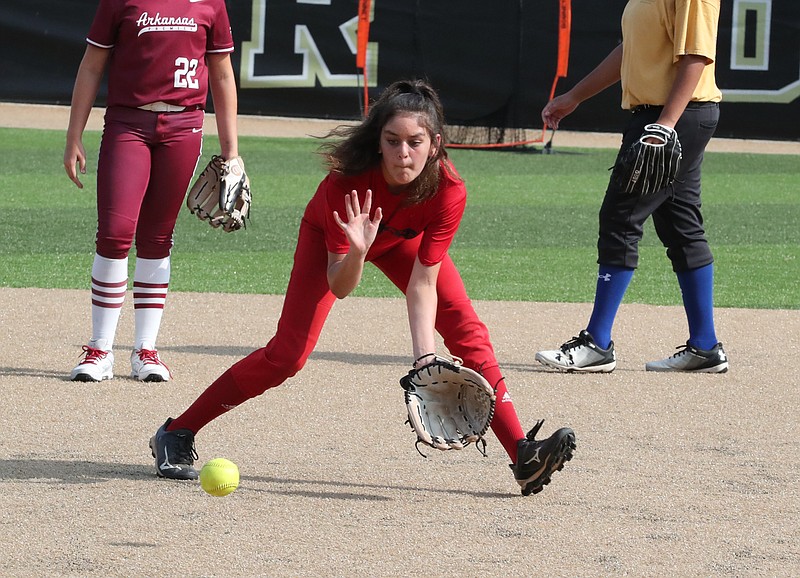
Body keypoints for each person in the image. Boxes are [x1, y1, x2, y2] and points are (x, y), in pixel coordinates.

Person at [149, 79, 576, 496]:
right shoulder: (346, 185)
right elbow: (341, 284)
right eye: (392, 140)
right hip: (334, 241)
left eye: (415, 142)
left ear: (436, 144)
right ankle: (177, 430)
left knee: (466, 329)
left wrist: (424, 358)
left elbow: (424, 282)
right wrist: (356, 252)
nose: (403, 153)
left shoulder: (449, 190)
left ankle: (523, 454)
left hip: (399, 239)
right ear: (378, 141)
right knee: (287, 356)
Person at [535, 0, 728, 374]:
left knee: (621, 218)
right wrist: (574, 96)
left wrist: (666, 125)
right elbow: (629, 49)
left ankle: (597, 343)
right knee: (680, 226)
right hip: (665, 117)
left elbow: (697, 57)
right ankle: (705, 347)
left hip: (673, 118)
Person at [64, 0, 240, 382]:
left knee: (158, 237)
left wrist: (232, 153)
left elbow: (222, 75)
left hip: (184, 126)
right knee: (114, 234)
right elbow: (92, 64)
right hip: (128, 123)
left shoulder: (210, 3)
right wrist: (73, 135)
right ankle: (100, 349)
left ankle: (146, 350)